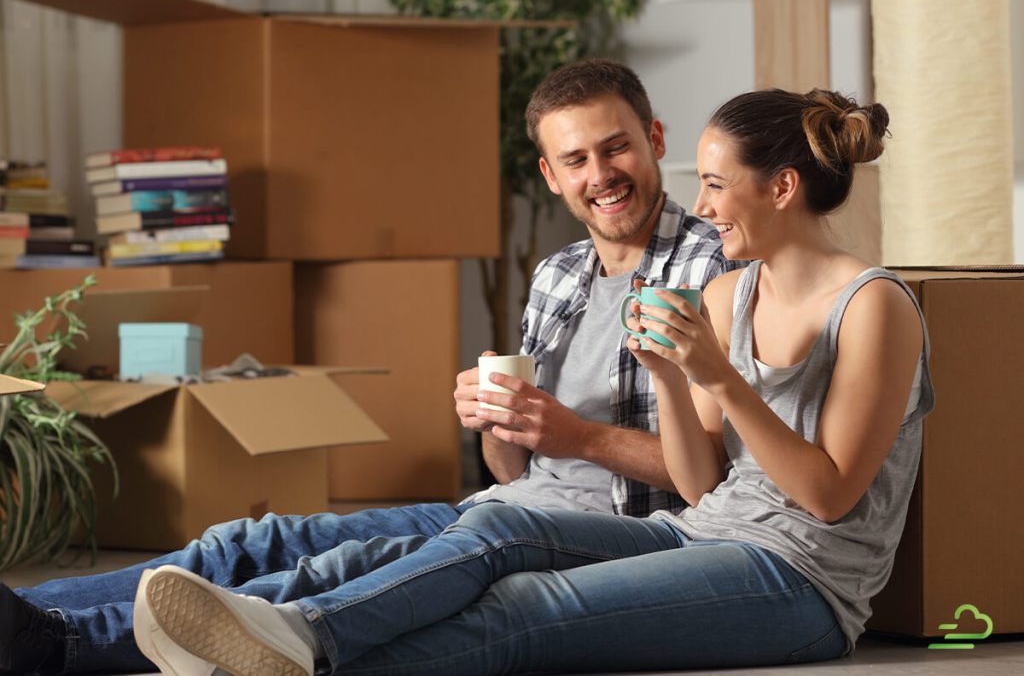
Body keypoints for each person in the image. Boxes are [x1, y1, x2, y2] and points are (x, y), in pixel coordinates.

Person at [117, 86, 935, 675]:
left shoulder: (873, 307)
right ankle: (295, 632)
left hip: (800, 583)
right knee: (502, 537)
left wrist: (718, 377)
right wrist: (674, 379)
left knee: (529, 611)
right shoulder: (730, 292)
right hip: (705, 530)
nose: (704, 202)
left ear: (781, 187)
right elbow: (700, 480)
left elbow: (827, 496)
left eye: (717, 183)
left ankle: (302, 651)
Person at [0, 59, 738, 675]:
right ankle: (24, 619)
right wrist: (493, 419)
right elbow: (511, 470)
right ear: (549, 174)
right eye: (576, 160)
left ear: (654, 139)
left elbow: (718, 475)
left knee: (315, 578)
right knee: (245, 543)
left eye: (616, 149)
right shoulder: (559, 275)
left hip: (610, 539)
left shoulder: (717, 271)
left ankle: (57, 647)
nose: (600, 175)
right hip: (502, 510)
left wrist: (574, 435)